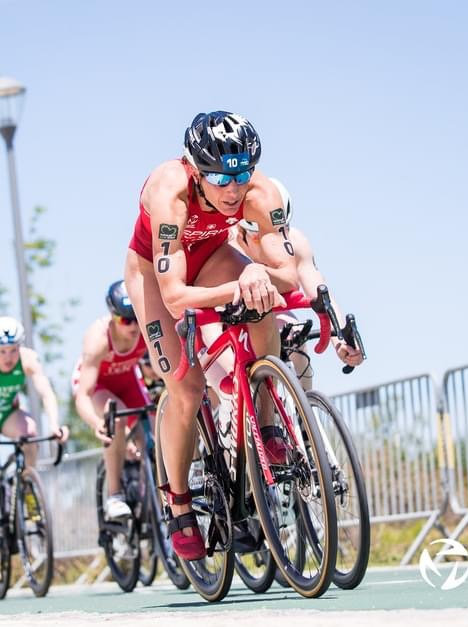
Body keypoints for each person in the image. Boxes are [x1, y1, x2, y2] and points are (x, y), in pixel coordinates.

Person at [123, 111, 301, 561]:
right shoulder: (169, 193)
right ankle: (179, 504)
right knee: (187, 386)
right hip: (156, 276)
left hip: (213, 257)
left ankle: (266, 422)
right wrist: (245, 282)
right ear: (196, 170)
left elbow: (289, 273)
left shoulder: (262, 193)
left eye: (241, 174)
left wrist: (256, 278)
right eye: (219, 177)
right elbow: (176, 296)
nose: (232, 188)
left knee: (261, 297)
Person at [229, 177, 364, 387]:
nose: (272, 243)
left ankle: (304, 413)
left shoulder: (296, 242)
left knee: (295, 335)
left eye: (281, 232)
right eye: (259, 236)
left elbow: (319, 291)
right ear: (242, 232)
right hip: (234, 314)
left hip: (275, 309)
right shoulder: (230, 247)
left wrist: (339, 339)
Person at [0, 316, 69, 583]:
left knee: (30, 433)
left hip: (8, 416)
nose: (9, 357)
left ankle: (26, 485)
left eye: (13, 350)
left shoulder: (29, 359)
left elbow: (46, 393)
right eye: (2, 351)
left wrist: (55, 424)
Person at [71, 280, 151, 520]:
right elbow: (83, 395)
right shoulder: (98, 339)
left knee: (154, 427)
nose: (133, 326)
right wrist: (97, 424)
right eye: (126, 320)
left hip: (127, 381)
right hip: (98, 387)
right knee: (115, 418)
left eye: (137, 317)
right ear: (113, 316)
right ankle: (114, 494)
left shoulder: (146, 328)